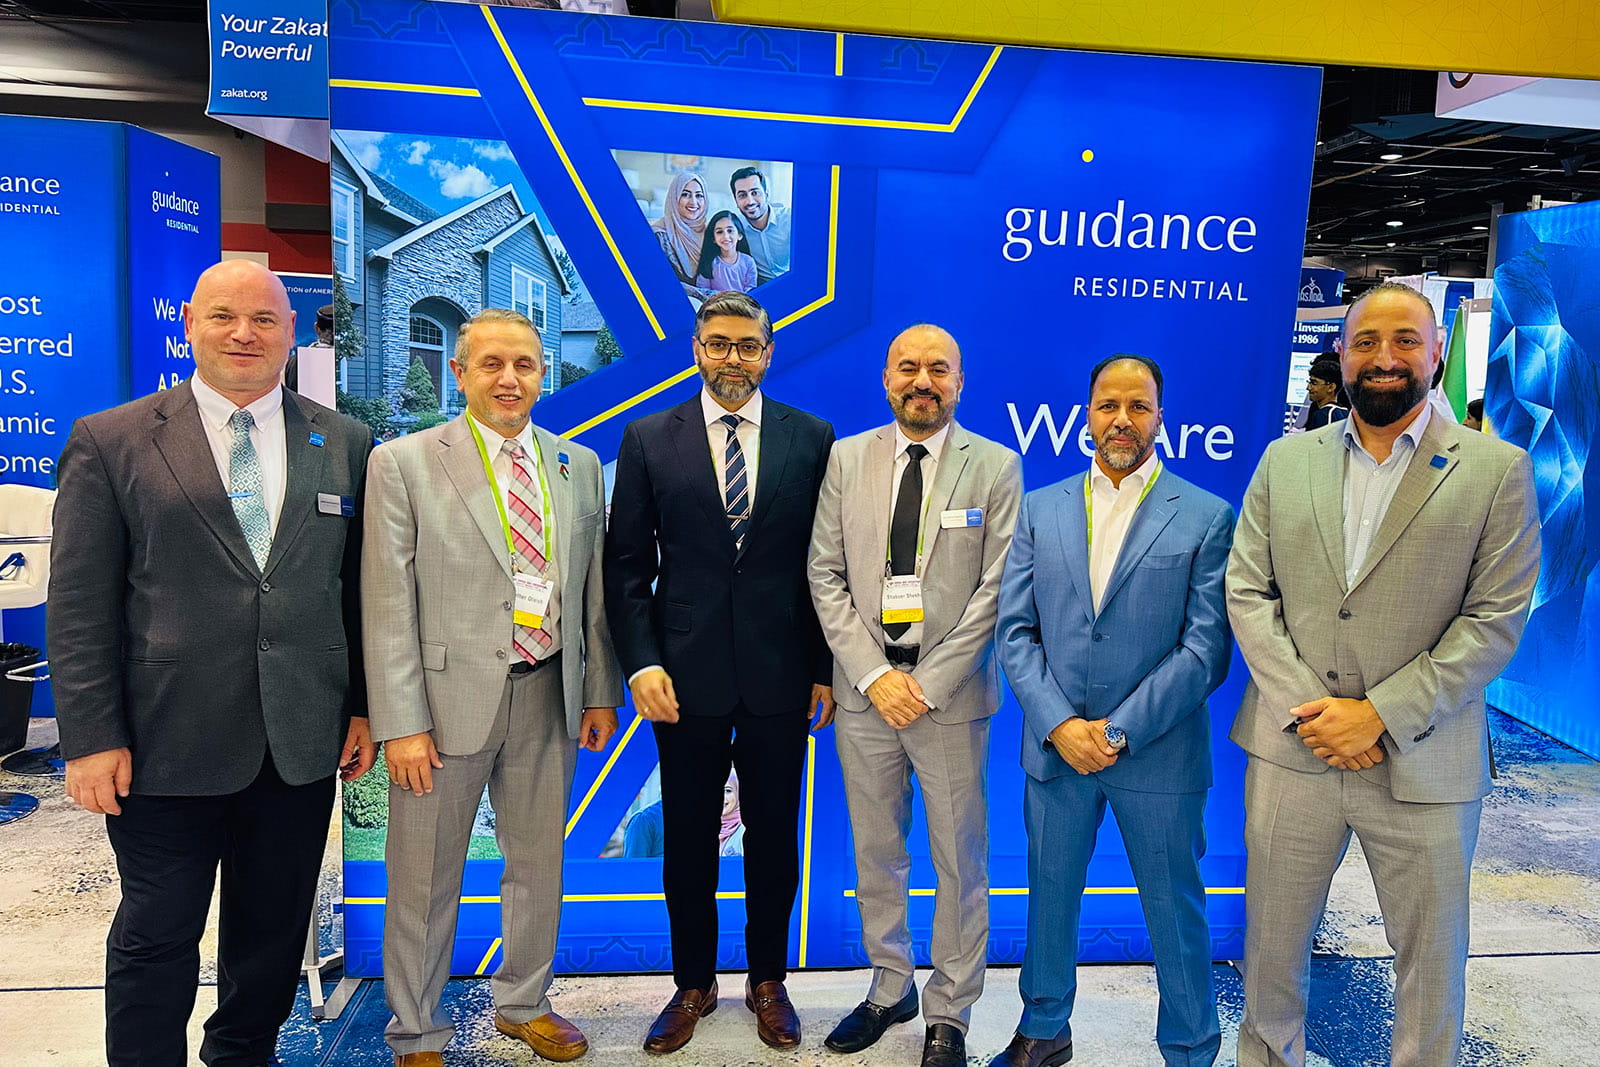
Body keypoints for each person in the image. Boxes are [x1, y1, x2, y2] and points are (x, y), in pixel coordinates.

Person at [50, 259, 375, 1067]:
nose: (244, 334)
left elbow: (357, 590)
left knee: (271, 935)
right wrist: (90, 736)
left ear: (290, 332)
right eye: (225, 316)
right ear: (190, 321)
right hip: (162, 743)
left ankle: (242, 1055)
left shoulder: (343, 441)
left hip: (298, 739)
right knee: (157, 931)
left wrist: (363, 706)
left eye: (264, 319)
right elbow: (80, 603)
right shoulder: (112, 439)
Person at [1227, 281, 1541, 1067]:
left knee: (1429, 964)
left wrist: (1378, 714)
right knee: (1270, 954)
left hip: (1425, 758)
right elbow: (1247, 591)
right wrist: (1314, 709)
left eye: (1405, 340)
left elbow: (1494, 619)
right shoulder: (1285, 460)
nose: (1384, 357)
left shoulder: (1496, 470)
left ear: (1436, 353)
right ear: (1341, 354)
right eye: (1366, 341)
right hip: (1293, 751)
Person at [362, 308, 623, 1067]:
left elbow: (592, 595)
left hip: (547, 693)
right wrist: (401, 722)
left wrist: (597, 690)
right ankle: (416, 1031)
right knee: (424, 876)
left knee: (538, 865)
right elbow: (386, 601)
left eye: (525, 365)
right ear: (460, 372)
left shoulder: (578, 464)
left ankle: (525, 1003)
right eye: (492, 364)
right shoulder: (403, 462)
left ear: (544, 373)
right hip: (441, 709)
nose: (510, 379)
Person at [605, 290, 836, 1055]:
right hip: (683, 677)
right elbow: (627, 564)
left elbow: (825, 564)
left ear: (769, 352)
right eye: (719, 343)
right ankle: (692, 983)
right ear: (697, 349)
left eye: (747, 345)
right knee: (687, 841)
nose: (733, 358)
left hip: (781, 674)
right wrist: (641, 662)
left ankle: (768, 980)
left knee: (774, 838)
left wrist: (823, 668)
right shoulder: (649, 437)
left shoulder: (812, 437)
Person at [993, 354, 1234, 1067]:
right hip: (1056, 750)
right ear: (1088, 415)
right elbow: (1015, 631)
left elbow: (1205, 650)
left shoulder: (1206, 516)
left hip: (1159, 754)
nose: (1122, 420)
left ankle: (1190, 1047)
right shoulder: (1040, 508)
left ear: (1161, 416)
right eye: (1108, 405)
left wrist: (1118, 730)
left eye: (1138, 406)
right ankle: (1044, 1028)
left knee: (1174, 909)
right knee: (1050, 896)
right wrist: (1060, 725)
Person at [808, 324, 1023, 1067]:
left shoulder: (996, 466)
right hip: (866, 695)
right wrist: (875, 676)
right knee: (877, 851)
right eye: (908, 367)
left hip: (949, 700)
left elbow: (996, 591)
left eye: (938, 368)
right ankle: (890, 983)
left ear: (960, 382)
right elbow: (825, 574)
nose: (921, 381)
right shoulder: (845, 458)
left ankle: (950, 1011)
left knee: (959, 858)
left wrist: (924, 685)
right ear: (886, 377)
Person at [729, 166, 792, 285]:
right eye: (742, 195)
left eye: (755, 193)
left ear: (766, 194)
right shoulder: (735, 229)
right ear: (736, 201)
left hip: (795, 282)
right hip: (762, 289)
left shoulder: (790, 219)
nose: (750, 201)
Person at [650, 171, 710, 286]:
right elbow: (662, 281)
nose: (693, 202)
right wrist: (710, 294)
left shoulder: (713, 233)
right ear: (674, 198)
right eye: (685, 194)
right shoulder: (659, 236)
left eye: (699, 195)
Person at [694, 210, 758, 293]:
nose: (725, 236)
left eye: (730, 231)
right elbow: (703, 291)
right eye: (719, 232)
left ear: (739, 235)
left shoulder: (748, 262)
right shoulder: (708, 263)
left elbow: (751, 289)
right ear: (713, 239)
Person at [1302, 357, 1349, 430]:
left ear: (1331, 387)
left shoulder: (1324, 415)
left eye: (1314, 383)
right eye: (1309, 382)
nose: (1308, 388)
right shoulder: (1345, 413)